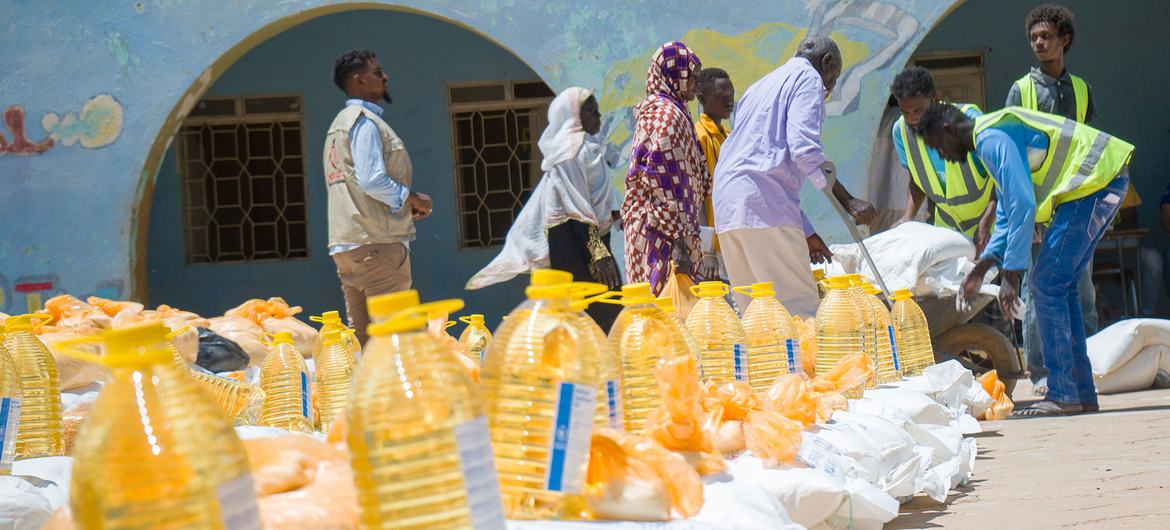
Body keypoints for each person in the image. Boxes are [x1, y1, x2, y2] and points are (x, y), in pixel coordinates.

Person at [917, 102, 1134, 416]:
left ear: (947, 131)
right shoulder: (990, 139)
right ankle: (1078, 392)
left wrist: (1012, 273)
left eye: (937, 146)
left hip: (1094, 184)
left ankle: (1063, 392)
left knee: (1047, 283)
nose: (942, 156)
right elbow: (1007, 213)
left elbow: (1022, 203)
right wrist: (985, 265)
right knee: (1061, 285)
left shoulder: (990, 138)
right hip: (1102, 183)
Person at [712, 35, 875, 317]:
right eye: (832, 81)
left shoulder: (759, 86)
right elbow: (804, 149)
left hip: (729, 211)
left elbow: (764, 164)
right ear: (827, 62)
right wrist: (848, 200)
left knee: (756, 316)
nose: (827, 89)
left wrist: (807, 232)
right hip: (763, 210)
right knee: (797, 311)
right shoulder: (809, 79)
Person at [466, 87, 623, 329]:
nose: (598, 116)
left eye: (597, 110)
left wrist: (616, 216)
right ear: (573, 116)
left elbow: (597, 197)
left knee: (607, 306)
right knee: (589, 312)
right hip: (571, 239)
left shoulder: (588, 148)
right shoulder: (568, 153)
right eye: (591, 111)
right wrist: (599, 255)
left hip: (592, 236)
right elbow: (576, 207)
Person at [1007, 3, 1099, 393]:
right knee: (1037, 289)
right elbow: (1011, 155)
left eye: (1046, 36)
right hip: (1038, 208)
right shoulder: (1022, 90)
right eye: (1033, 38)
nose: (1039, 43)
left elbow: (1090, 149)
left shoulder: (1081, 90)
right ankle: (1042, 374)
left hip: (1077, 203)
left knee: (1081, 287)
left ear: (1064, 40)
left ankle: (1090, 367)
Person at [323, 49, 433, 343]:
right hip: (376, 247)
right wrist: (413, 199)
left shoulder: (338, 125)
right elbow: (371, 181)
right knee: (399, 343)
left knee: (368, 345)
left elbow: (355, 189)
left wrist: (402, 207)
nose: (385, 77)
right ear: (359, 80)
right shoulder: (364, 122)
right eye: (377, 72)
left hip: (348, 246)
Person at [622, 41, 717, 294]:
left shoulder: (672, 110)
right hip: (661, 236)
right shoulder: (668, 116)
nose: (697, 82)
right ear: (675, 76)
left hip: (663, 230)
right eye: (692, 77)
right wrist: (678, 244)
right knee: (667, 317)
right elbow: (663, 182)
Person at [889, 67, 996, 252]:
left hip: (990, 225)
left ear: (936, 100)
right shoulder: (901, 132)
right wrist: (908, 217)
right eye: (905, 112)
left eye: (918, 110)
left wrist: (987, 222)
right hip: (948, 229)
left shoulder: (970, 121)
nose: (912, 119)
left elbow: (1002, 178)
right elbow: (917, 180)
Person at [694, 67, 735, 278]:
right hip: (713, 245)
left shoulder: (729, 136)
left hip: (732, 238)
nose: (729, 102)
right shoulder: (699, 137)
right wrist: (706, 248)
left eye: (731, 95)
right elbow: (698, 196)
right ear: (702, 98)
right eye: (721, 97)